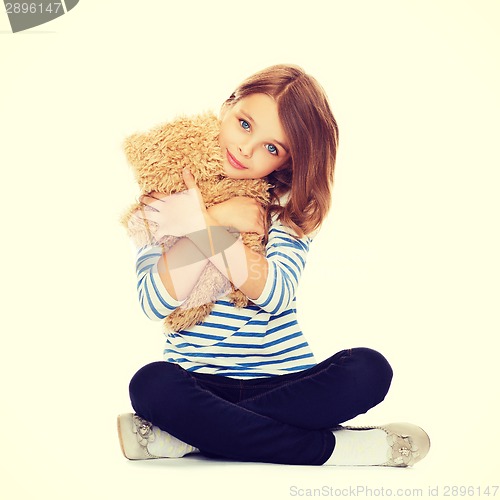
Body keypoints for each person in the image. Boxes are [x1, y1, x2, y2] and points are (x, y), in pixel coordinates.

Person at [117, 64, 430, 467]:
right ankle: (334, 450)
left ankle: (191, 438)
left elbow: (277, 295)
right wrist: (215, 220)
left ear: (285, 162)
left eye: (272, 147)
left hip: (287, 383)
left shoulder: (286, 211)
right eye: (245, 124)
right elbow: (154, 302)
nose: (247, 148)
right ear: (227, 106)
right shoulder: (163, 194)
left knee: (369, 369)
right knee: (151, 384)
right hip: (199, 384)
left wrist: (201, 226)